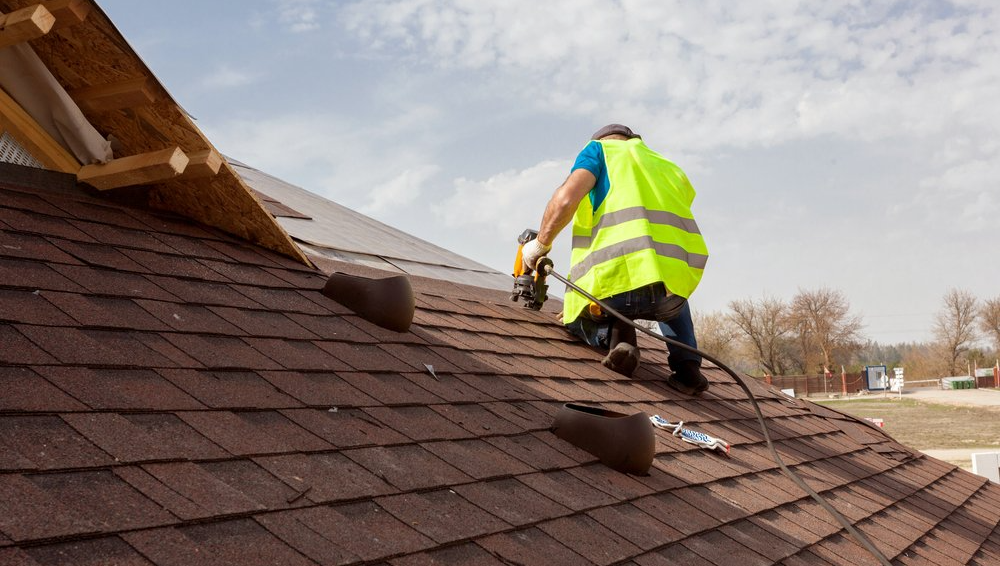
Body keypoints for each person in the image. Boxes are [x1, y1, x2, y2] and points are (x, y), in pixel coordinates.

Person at [521, 124, 710, 394]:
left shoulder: (599, 151)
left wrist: (539, 245)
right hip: (672, 290)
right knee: (670, 291)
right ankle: (688, 368)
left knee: (575, 317)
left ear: (604, 141)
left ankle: (620, 339)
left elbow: (564, 200)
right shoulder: (666, 165)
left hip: (616, 288)